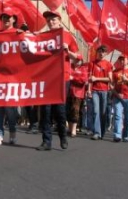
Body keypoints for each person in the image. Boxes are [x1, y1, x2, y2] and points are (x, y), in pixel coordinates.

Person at [36, 10, 80, 151]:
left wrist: (68, 51)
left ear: (60, 21)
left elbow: (78, 60)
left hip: (62, 77)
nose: (51, 22)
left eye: (53, 19)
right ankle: (46, 141)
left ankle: (63, 136)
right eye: (48, 20)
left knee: (60, 111)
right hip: (46, 78)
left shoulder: (67, 36)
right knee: (46, 111)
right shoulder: (43, 36)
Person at [0, 7, 21, 146]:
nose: (6, 19)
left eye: (9, 17)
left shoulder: (19, 33)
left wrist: (25, 34)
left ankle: (13, 132)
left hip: (13, 78)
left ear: (14, 19)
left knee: (10, 109)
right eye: (4, 17)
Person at [87, 45, 113, 140]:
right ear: (97, 52)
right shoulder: (92, 64)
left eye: (103, 52)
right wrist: (89, 90)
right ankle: (97, 132)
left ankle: (102, 130)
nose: (101, 53)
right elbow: (90, 78)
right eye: (100, 51)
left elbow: (110, 79)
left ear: (105, 53)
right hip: (94, 91)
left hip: (104, 91)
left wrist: (97, 78)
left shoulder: (108, 64)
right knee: (95, 111)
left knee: (103, 112)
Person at [111, 55, 128, 142]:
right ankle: (117, 135)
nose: (122, 61)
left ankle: (125, 135)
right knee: (117, 116)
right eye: (120, 60)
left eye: (123, 59)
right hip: (118, 97)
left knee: (127, 118)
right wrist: (117, 94)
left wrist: (126, 79)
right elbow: (111, 86)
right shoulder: (115, 72)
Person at [67, 59, 88, 137]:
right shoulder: (70, 67)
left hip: (78, 93)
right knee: (68, 110)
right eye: (76, 60)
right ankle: (69, 128)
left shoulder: (83, 69)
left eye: (79, 60)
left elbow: (83, 80)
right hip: (68, 92)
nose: (77, 62)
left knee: (75, 110)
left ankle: (74, 129)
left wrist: (73, 78)